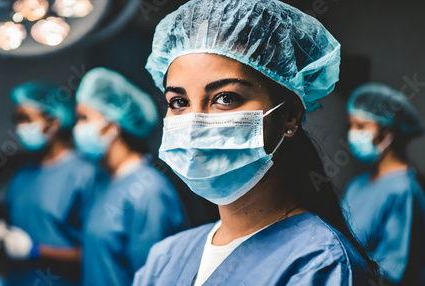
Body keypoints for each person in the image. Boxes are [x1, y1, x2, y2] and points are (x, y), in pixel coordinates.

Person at [133, 0, 378, 285]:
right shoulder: (166, 258)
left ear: (289, 116)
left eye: (225, 98)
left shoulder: (322, 264)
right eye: (179, 101)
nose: (194, 123)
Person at [0, 81, 104, 286]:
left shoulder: (85, 174)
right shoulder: (22, 177)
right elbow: (17, 228)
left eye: (26, 119)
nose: (20, 128)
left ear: (53, 123)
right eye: (17, 120)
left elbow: (96, 254)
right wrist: (1, 236)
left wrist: (37, 251)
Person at [73, 67, 187, 286]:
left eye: (84, 118)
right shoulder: (104, 182)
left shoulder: (148, 190)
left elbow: (153, 278)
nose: (76, 128)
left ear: (111, 126)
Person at [343, 83, 425, 285]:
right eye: (351, 125)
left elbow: (393, 271)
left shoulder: (404, 190)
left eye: (361, 126)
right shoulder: (357, 184)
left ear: (386, 132)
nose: (352, 134)